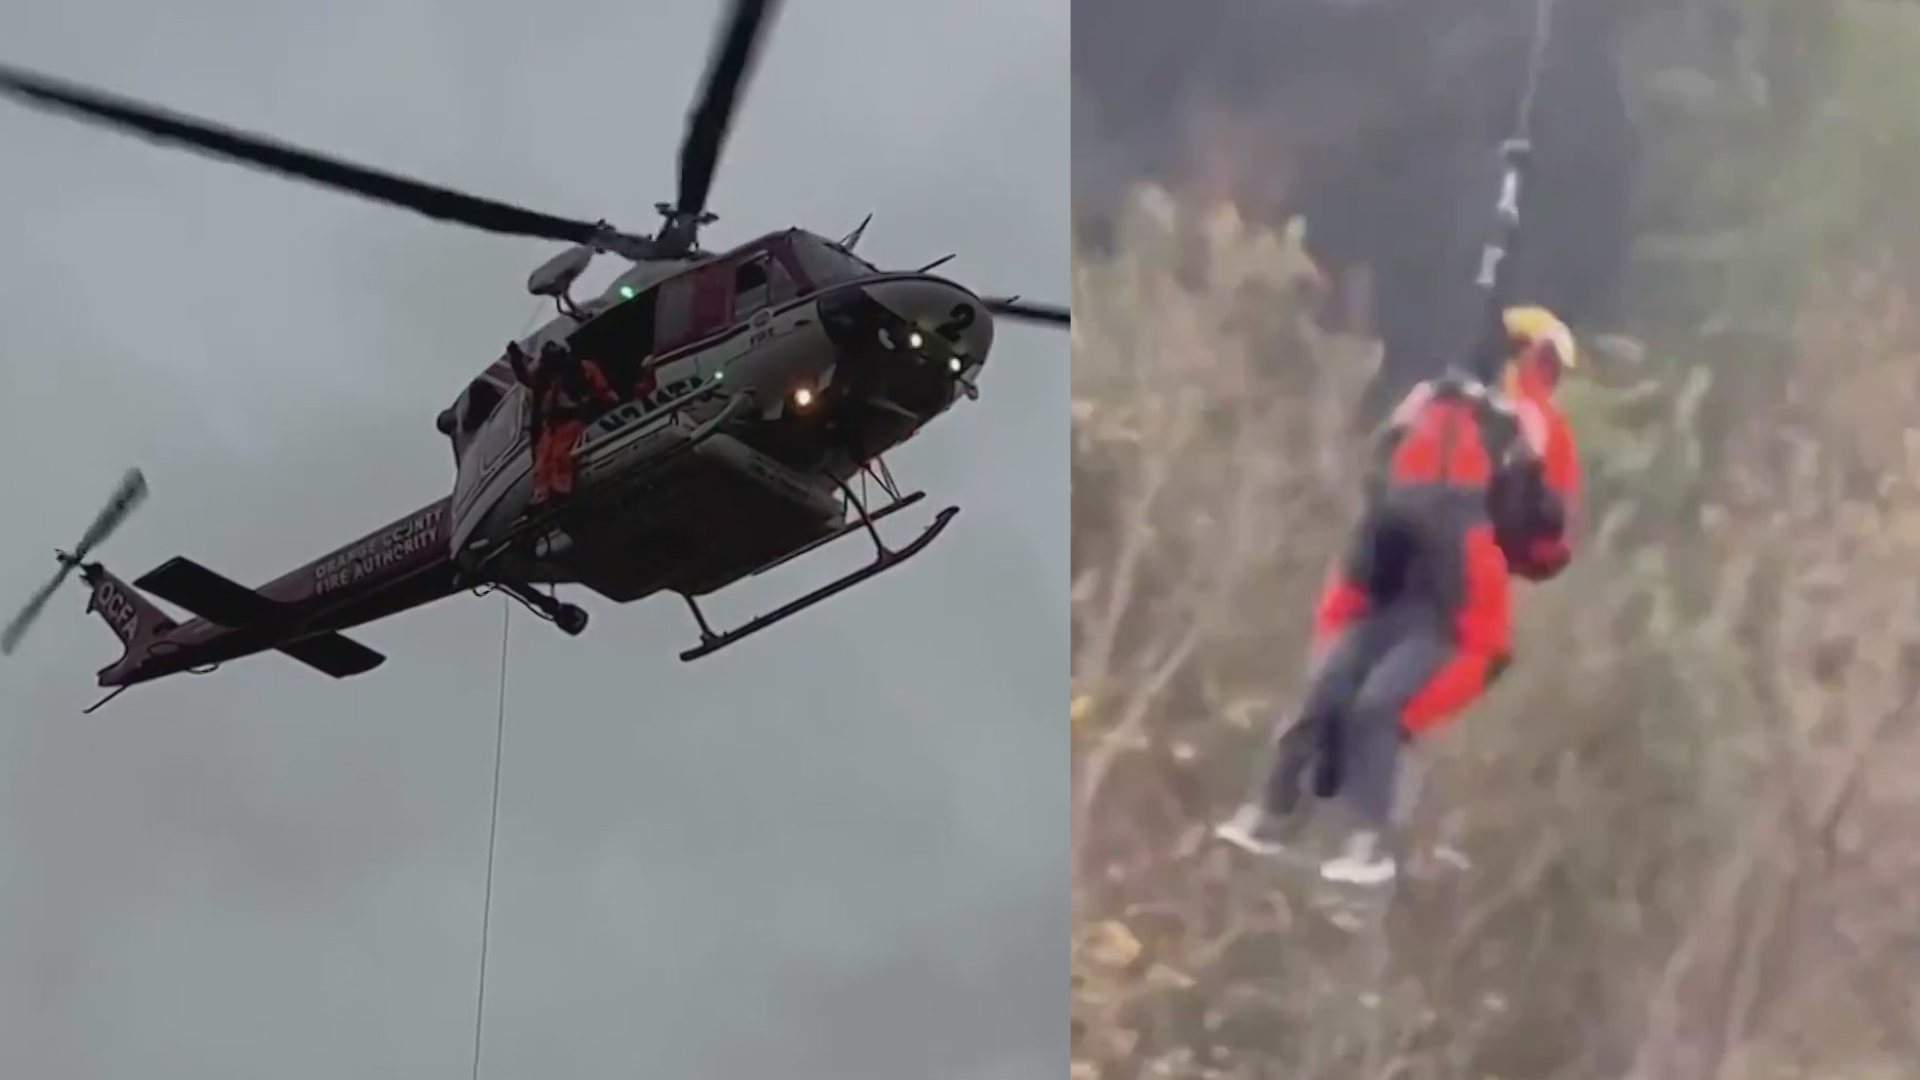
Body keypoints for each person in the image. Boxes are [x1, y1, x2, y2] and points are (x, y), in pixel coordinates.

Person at [1213, 304, 1582, 887]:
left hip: (1452, 612)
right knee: (1332, 697)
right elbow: (1382, 483)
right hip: (1396, 589)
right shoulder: (1438, 408)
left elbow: (1544, 539)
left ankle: (1367, 837)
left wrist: (1510, 464)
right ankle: (1287, 811)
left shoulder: (1519, 424)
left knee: (1380, 709)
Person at [507, 339, 618, 508]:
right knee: (542, 462)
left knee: (561, 455)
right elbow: (526, 378)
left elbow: (601, 388)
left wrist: (611, 399)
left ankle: (561, 490)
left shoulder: (583, 368)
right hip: (552, 426)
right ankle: (541, 496)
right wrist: (515, 358)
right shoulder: (544, 375)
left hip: (572, 421)